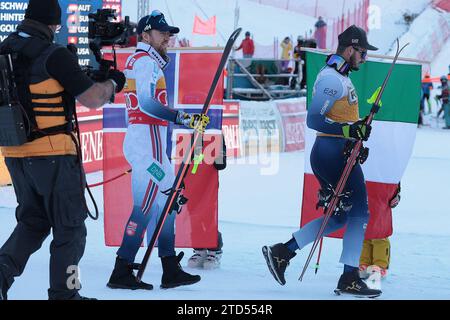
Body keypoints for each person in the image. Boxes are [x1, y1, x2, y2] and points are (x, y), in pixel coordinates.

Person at [0, 0, 126, 300]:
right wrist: (113, 83)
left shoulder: (4, 49)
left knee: (33, 222)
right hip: (54, 155)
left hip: (15, 154)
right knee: (70, 229)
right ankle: (65, 295)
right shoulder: (53, 54)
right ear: (52, 24)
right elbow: (94, 98)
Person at [262, 25, 382, 298]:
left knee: (339, 216)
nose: (364, 58)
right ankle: (349, 277)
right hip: (331, 152)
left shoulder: (341, 76)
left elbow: (342, 120)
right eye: (363, 53)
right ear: (350, 49)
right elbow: (314, 120)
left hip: (337, 150)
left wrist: (357, 131)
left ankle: (283, 252)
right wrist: (348, 132)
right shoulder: (332, 79)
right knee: (360, 213)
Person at [106, 10, 210, 291]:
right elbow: (146, 105)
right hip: (146, 146)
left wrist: (180, 118)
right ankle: (123, 268)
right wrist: (183, 118)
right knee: (151, 204)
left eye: (168, 33)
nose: (167, 37)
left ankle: (168, 267)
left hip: (149, 142)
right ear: (145, 35)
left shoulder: (148, 61)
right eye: (162, 32)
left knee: (165, 203)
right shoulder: (145, 63)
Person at [187, 136, 227, 270]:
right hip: (191, 182)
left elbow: (221, 165)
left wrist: (217, 151)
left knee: (208, 215)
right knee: (193, 215)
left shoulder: (215, 133)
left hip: (208, 183)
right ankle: (199, 249)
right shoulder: (189, 133)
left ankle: (214, 249)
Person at [359, 183, 401, 289]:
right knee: (365, 231)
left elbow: (395, 177)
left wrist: (396, 194)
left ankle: (379, 266)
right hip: (365, 191)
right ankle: (365, 264)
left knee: (380, 233)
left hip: (382, 193)